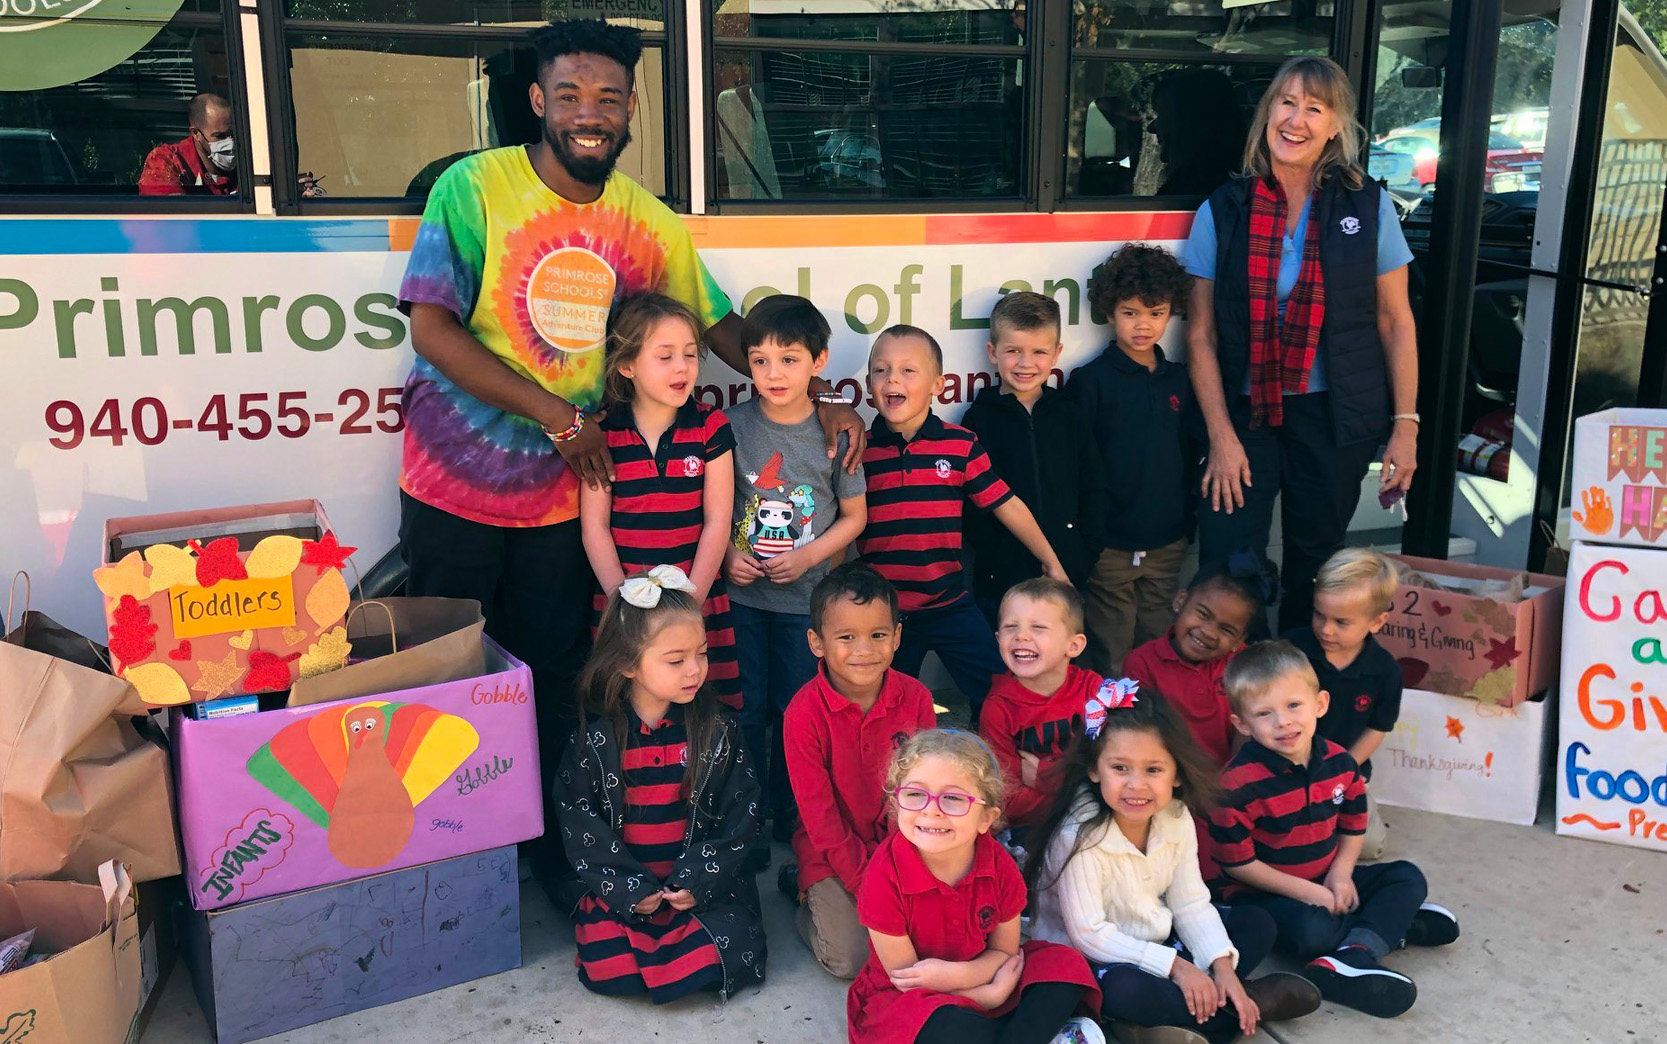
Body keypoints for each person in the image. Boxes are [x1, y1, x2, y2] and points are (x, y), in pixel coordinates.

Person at [393, 20, 861, 889]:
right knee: (447, 679)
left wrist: (808, 390)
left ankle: (545, 859)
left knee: (548, 679)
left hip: (567, 503)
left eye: (607, 98)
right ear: (538, 101)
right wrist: (559, 419)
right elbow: (430, 327)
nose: (588, 113)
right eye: (568, 95)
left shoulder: (645, 221)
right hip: (455, 483)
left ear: (631, 109)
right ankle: (450, 860)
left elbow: (720, 325)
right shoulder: (475, 187)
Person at [1182, 56, 1419, 633]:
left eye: (1315, 108)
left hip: (1332, 413)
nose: (1297, 119)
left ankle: (1297, 690)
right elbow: (1201, 334)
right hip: (1244, 413)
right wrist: (1221, 435)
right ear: (1268, 115)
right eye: (1286, 103)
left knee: (1318, 563)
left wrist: (1406, 424)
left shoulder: (1367, 206)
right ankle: (1235, 688)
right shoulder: (1224, 207)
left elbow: (1396, 322)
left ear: (1336, 125)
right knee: (1228, 561)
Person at [1026, 684, 1321, 1044]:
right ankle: (1237, 1010)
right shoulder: (1080, 835)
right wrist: (1178, 968)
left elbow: (1190, 902)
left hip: (1156, 937)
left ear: (1177, 774)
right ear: (1094, 769)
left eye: (1153, 770)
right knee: (1126, 990)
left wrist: (1221, 966)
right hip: (1097, 958)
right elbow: (1091, 936)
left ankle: (1200, 1005)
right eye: (1120, 767)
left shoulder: (1176, 817)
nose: (1136, 785)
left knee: (1257, 923)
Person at [1210, 641, 1459, 1019]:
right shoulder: (1236, 785)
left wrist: (1341, 875)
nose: (1283, 722)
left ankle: (1356, 952)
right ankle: (1385, 930)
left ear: (1320, 704)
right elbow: (1238, 865)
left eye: (1294, 705)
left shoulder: (1340, 762)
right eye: (1264, 713)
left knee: (1406, 876)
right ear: (1242, 724)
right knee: (1315, 932)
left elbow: (1354, 823)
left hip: (1328, 877)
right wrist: (1310, 892)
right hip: (1266, 894)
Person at [552, 566, 766, 1003]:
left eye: (702, 654)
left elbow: (742, 811)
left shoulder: (718, 729)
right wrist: (628, 889)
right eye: (675, 660)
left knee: (726, 951)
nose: (694, 670)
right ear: (628, 663)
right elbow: (579, 823)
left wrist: (698, 879)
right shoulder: (596, 739)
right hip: (630, 892)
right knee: (605, 964)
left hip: (702, 893)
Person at [860, 325, 1066, 727]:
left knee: (1000, 695)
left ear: (938, 383)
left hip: (949, 603)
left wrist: (1051, 563)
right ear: (869, 383)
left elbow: (1007, 506)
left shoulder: (960, 444)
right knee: (885, 713)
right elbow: (842, 526)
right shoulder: (860, 451)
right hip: (885, 615)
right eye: (881, 370)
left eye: (908, 370)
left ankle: (998, 772)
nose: (893, 379)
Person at [848, 729, 1103, 1044]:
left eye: (953, 798)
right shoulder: (884, 877)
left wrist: (974, 981)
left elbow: (1005, 952)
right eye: (915, 794)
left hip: (986, 974)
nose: (931, 809)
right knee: (952, 1028)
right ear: (896, 803)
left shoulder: (999, 866)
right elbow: (909, 979)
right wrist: (990, 996)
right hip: (916, 1000)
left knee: (1065, 964)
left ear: (987, 818)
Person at [725, 295, 868, 857]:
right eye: (759, 360)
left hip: (806, 606)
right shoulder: (731, 426)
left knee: (794, 711)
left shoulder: (836, 434)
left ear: (819, 362)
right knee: (743, 710)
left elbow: (855, 516)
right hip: (741, 600)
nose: (773, 373)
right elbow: (713, 507)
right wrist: (725, 560)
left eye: (788, 359)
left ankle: (793, 813)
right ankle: (746, 817)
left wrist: (808, 559)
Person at [579, 294, 740, 708]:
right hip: (622, 606)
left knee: (704, 708)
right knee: (623, 712)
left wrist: (689, 606)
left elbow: (717, 523)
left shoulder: (709, 426)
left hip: (698, 601)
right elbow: (595, 526)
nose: (682, 367)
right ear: (626, 365)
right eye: (665, 356)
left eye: (689, 354)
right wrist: (624, 607)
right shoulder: (603, 434)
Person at [783, 564, 936, 979]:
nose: (864, 650)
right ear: (817, 642)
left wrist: (897, 867)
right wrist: (866, 881)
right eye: (846, 637)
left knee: (932, 938)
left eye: (878, 635)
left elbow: (921, 791)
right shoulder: (803, 713)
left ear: (897, 637)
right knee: (852, 960)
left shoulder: (917, 697)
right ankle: (802, 892)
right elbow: (819, 817)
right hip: (831, 850)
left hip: (903, 842)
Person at [1066, 244, 1197, 676]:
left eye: (1155, 313)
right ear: (1109, 311)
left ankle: (1153, 724)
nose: (1143, 324)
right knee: (1110, 642)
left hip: (1166, 540)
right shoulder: (1091, 382)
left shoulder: (1180, 380)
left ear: (1171, 312)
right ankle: (1109, 730)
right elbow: (1080, 464)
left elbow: (1191, 454)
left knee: (1159, 640)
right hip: (1109, 545)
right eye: (1130, 312)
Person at [962, 292, 1104, 627]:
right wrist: (997, 555)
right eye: (1014, 351)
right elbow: (970, 505)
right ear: (992, 352)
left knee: (1061, 667)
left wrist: (1083, 554)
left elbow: (1093, 486)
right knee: (1003, 671)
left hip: (1067, 576)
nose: (1026, 364)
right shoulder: (978, 420)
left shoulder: (1070, 415)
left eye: (1039, 352)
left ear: (1056, 354)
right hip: (1002, 582)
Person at [1284, 548, 1403, 861]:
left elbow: (1378, 728)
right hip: (1285, 766)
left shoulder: (1385, 670)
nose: (1326, 629)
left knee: (1369, 847)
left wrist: (1343, 768)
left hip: (1344, 773)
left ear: (1377, 622)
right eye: (1319, 615)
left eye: (1341, 622)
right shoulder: (1291, 651)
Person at [979, 579, 1103, 829]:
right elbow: (1007, 794)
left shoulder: (1093, 689)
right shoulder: (998, 708)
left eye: (1038, 627)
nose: (1021, 635)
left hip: (1092, 809)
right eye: (1010, 627)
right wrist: (1074, 797)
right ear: (998, 638)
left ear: (1074, 645)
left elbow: (1108, 763)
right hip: (1031, 826)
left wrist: (1041, 775)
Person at [1122, 565, 1266, 769]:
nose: (1208, 632)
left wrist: (1231, 781)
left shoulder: (1244, 664)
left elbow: (1248, 731)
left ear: (1238, 640)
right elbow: (1141, 735)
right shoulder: (1141, 663)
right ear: (1180, 601)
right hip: (1168, 777)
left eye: (1226, 629)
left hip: (1231, 778)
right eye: (1203, 614)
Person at [138, 93, 236, 197]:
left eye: (233, 134)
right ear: (195, 133)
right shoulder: (166, 160)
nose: (230, 142)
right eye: (220, 136)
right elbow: (173, 209)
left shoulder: (248, 159)